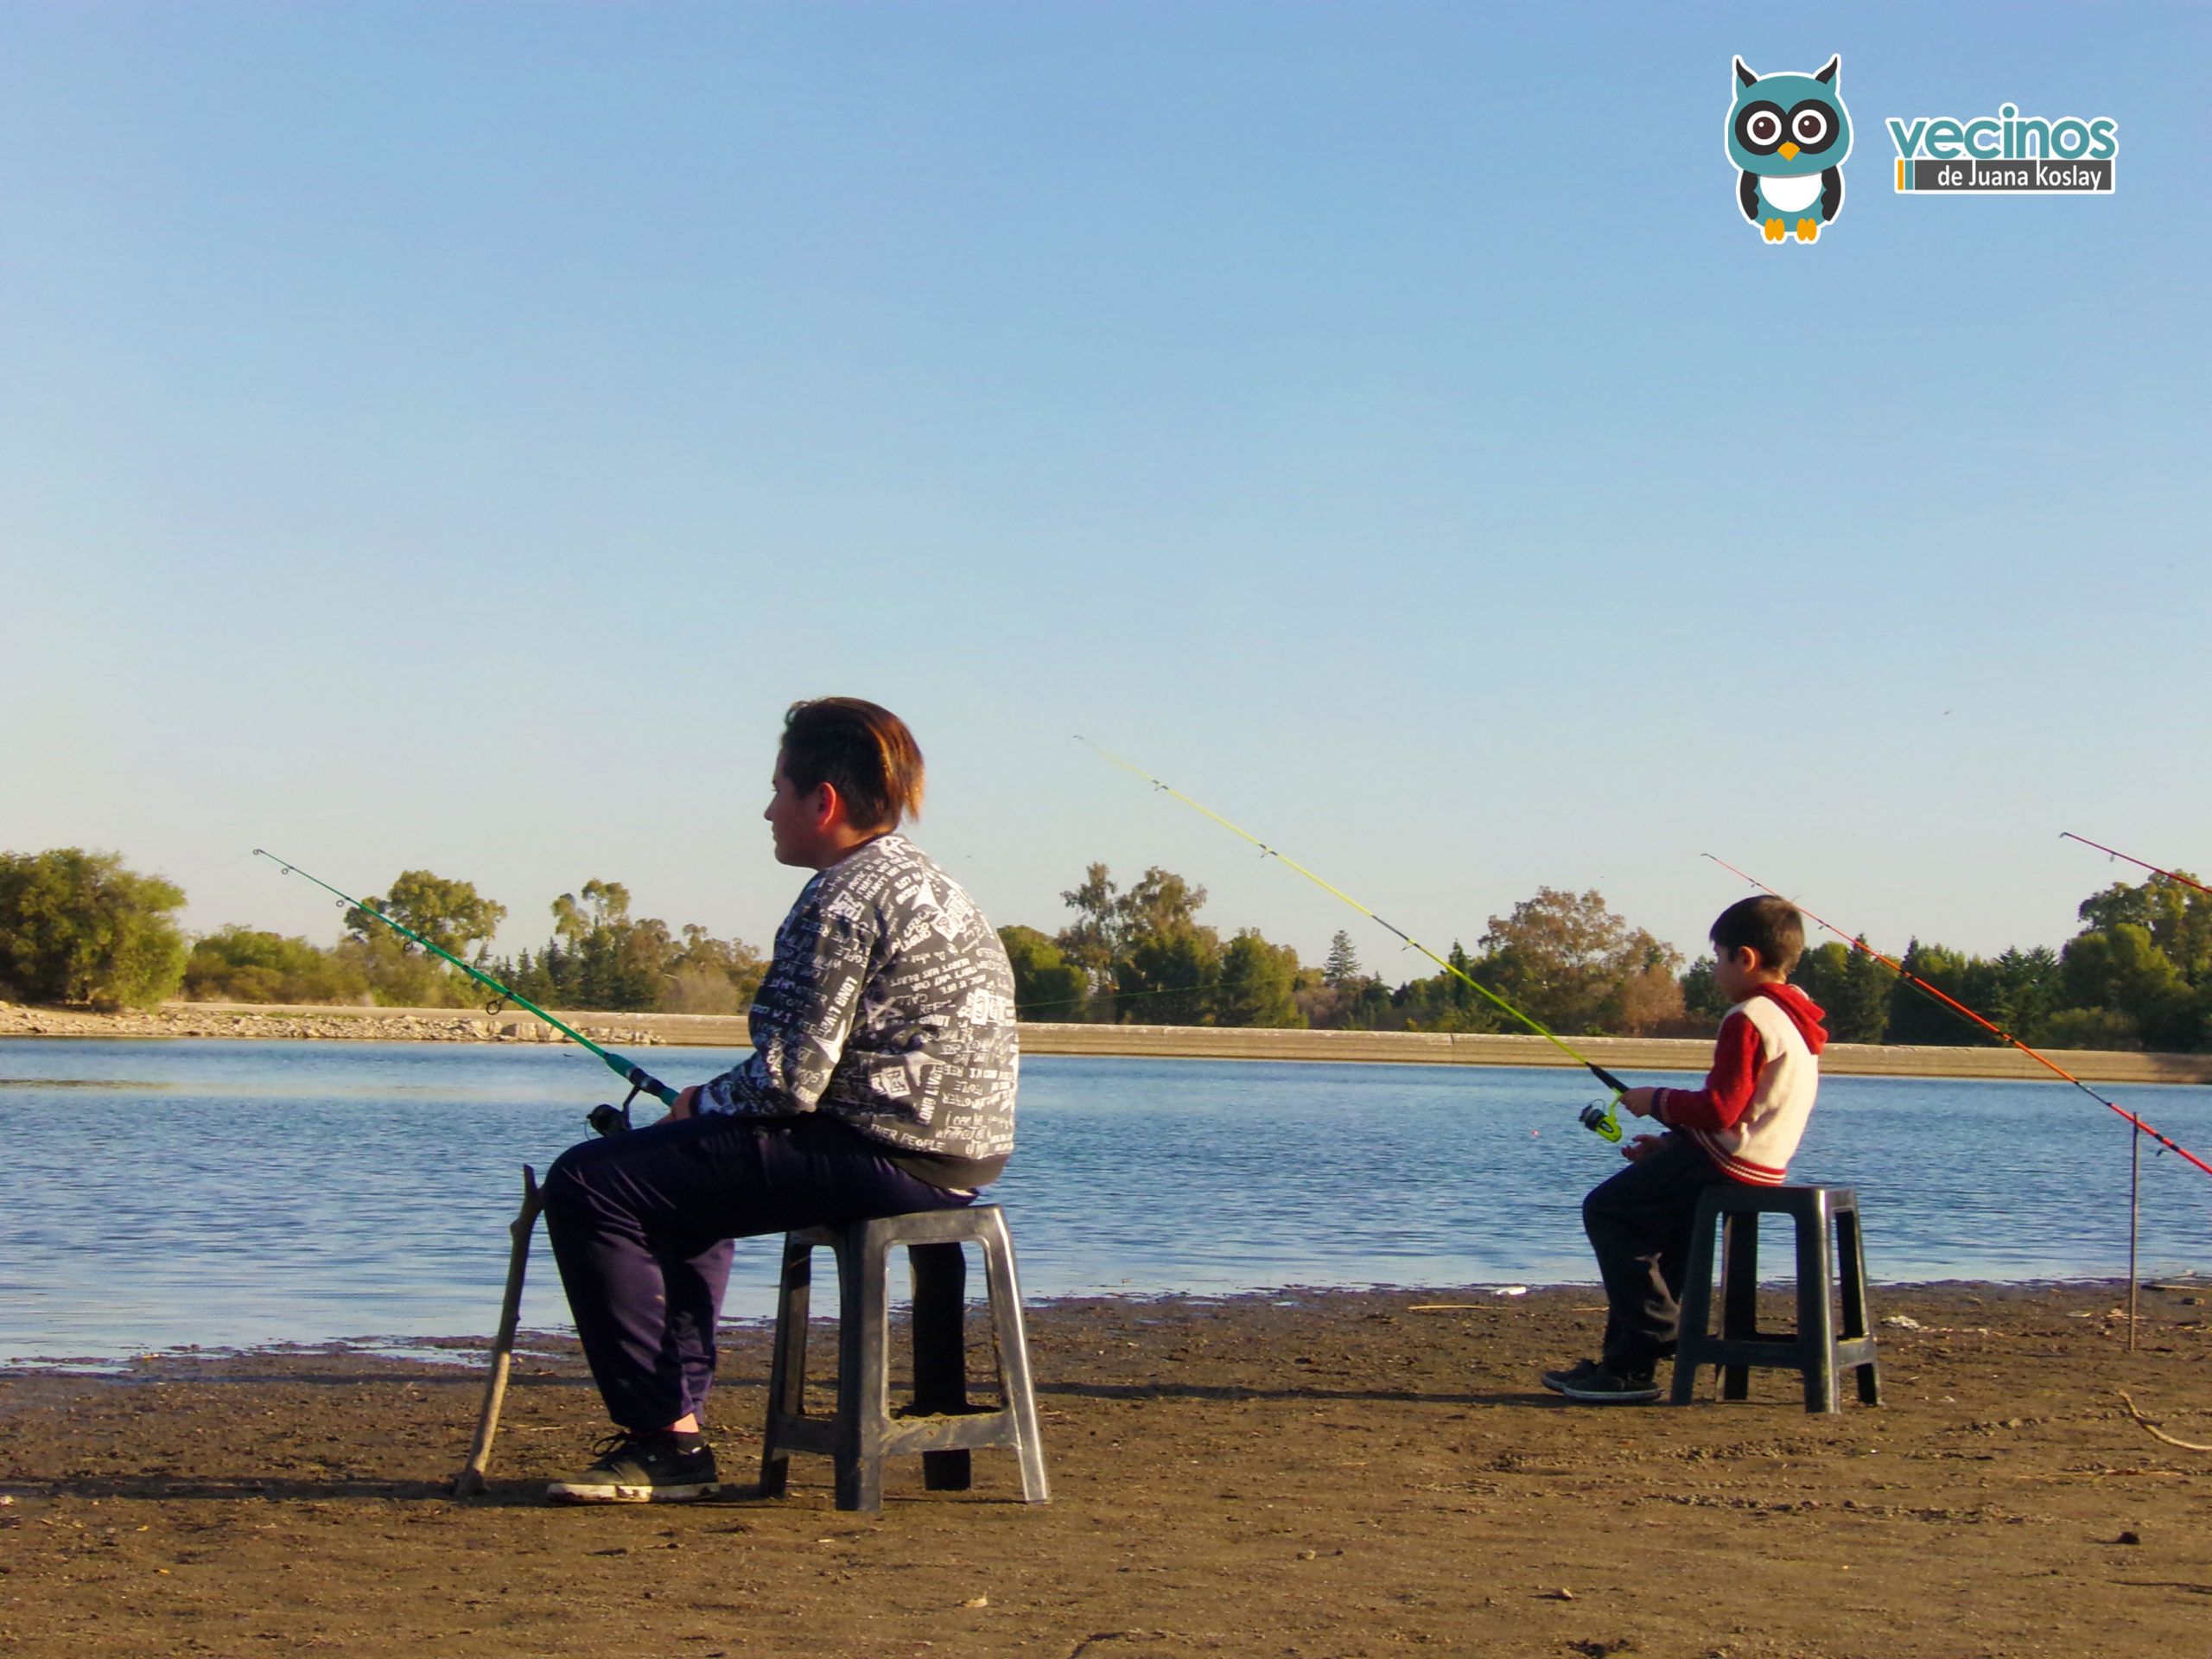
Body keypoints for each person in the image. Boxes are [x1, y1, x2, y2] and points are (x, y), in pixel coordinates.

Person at [540, 697, 1018, 1502]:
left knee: (589, 1182)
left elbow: (788, 1081)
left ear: (822, 802)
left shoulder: (839, 897)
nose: (767, 810)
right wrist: (713, 1111)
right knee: (682, 1191)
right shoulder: (927, 882)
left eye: (776, 790)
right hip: (958, 1156)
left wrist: (696, 1102)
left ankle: (665, 1441)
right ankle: (676, 1425)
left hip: (879, 1152)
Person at [1543, 895, 1828, 1405]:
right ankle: (1627, 1369)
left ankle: (1657, 1333)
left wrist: (1657, 1101)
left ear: (1746, 958)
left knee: (1607, 1210)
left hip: (1728, 1164)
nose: (1714, 969)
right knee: (1656, 1229)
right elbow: (1749, 1111)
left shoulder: (1749, 1017)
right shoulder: (1795, 1017)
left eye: (1718, 957)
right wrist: (1672, 1144)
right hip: (1756, 1163)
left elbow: (1720, 1109)